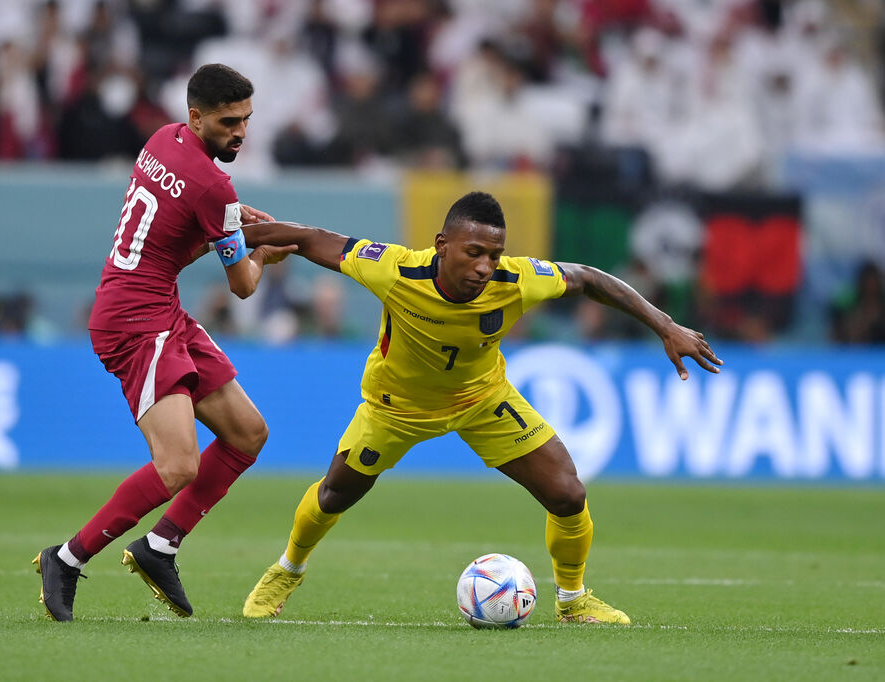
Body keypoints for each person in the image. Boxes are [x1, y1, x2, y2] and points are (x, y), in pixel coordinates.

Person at [239, 191, 722, 624]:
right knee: (334, 495)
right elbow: (309, 238)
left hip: (482, 400)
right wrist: (222, 233)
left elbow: (589, 279)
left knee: (568, 493)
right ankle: (288, 569)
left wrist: (665, 326)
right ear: (441, 244)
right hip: (396, 407)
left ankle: (573, 601)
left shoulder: (517, 279)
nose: (485, 266)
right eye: (474, 252)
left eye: (494, 254)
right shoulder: (395, 268)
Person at [33, 63, 295, 622]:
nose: (241, 133)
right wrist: (262, 253)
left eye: (247, 120)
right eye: (229, 122)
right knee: (178, 465)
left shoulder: (161, 141)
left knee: (248, 434)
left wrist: (226, 228)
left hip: (156, 307)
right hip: (135, 322)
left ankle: (160, 546)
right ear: (197, 116)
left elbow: (170, 243)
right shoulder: (214, 186)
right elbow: (244, 287)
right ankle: (67, 558)